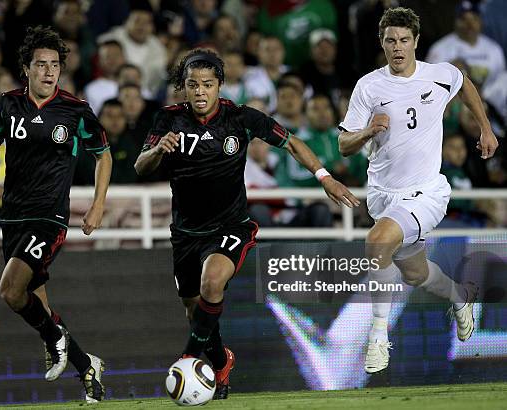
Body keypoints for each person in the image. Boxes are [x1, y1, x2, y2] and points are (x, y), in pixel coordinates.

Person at [135, 49, 359, 399]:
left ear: (220, 86)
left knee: (213, 281)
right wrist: (157, 151)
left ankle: (188, 359)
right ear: (183, 87)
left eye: (207, 84)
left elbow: (292, 143)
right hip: (185, 234)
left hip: (231, 227)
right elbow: (140, 167)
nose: (199, 92)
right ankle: (220, 360)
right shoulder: (168, 120)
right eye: (192, 85)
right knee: (195, 310)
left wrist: (324, 177)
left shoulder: (240, 118)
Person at [0, 26, 112, 403]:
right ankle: (86, 366)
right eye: (41, 65)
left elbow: (104, 155)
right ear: (27, 69)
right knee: (38, 303)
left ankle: (54, 339)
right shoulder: (7, 105)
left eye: (55, 65)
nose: (49, 72)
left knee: (10, 289)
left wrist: (99, 203)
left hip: (49, 217)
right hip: (13, 217)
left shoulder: (75, 110)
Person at [338, 7, 499, 374]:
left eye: (404, 40)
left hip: (427, 191)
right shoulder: (369, 86)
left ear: (416, 42)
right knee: (414, 273)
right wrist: (366, 132)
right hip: (383, 194)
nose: (397, 47)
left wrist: (485, 129)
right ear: (382, 43)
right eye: (390, 40)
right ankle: (460, 296)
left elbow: (465, 84)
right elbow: (344, 145)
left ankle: (378, 338)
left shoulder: (438, 75)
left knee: (377, 242)